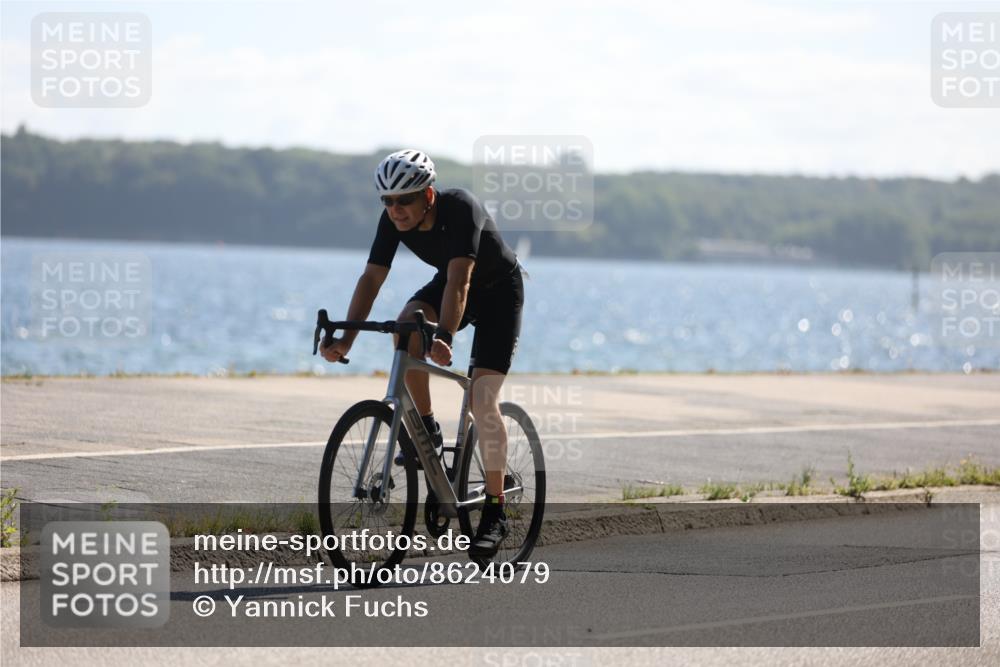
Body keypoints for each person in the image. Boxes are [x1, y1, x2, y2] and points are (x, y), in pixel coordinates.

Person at [320, 149, 524, 558]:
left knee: (483, 401)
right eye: (387, 201)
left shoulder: (461, 208)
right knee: (406, 324)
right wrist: (345, 339)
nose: (395, 210)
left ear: (428, 195)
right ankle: (426, 429)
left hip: (497, 293)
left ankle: (496, 510)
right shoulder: (393, 220)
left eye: (404, 200)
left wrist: (444, 335)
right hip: (449, 285)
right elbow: (371, 278)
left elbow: (460, 282)